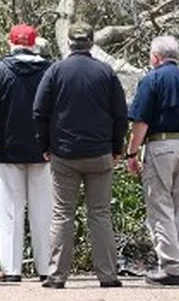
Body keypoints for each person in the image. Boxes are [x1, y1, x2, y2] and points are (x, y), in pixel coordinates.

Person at [33, 22, 128, 289]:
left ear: (70, 42)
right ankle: (108, 275)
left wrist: (45, 144)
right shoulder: (106, 72)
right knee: (100, 214)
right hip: (100, 153)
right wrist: (116, 147)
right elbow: (120, 114)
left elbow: (39, 112)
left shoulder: (55, 71)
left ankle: (56, 276)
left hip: (64, 153)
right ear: (91, 42)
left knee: (62, 213)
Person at [124, 36, 179, 286]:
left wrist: (132, 152)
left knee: (160, 206)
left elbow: (141, 121)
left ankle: (173, 268)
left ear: (155, 57)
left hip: (161, 146)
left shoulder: (151, 80)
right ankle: (174, 261)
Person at [0, 25, 53, 283]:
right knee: (44, 211)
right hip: (45, 151)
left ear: (11, 43)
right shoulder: (49, 70)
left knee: (10, 210)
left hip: (8, 150)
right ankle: (46, 268)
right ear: (34, 44)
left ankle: (11, 269)